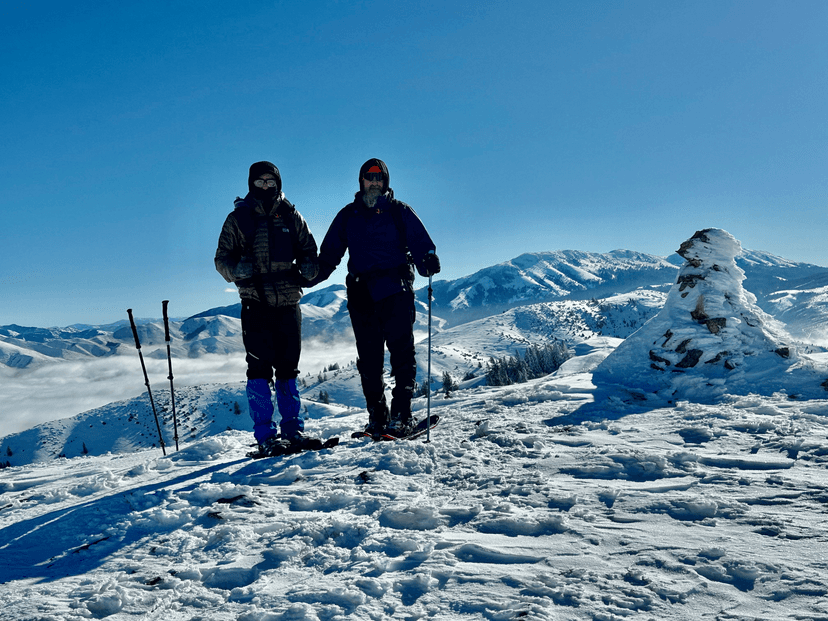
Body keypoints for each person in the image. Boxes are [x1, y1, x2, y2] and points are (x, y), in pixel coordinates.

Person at [311, 158, 440, 437]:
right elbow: (329, 254)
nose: (374, 182)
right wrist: (307, 277)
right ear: (361, 181)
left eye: (379, 178)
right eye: (369, 177)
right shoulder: (348, 215)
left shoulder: (398, 212)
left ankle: (401, 417)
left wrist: (427, 260)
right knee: (368, 360)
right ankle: (377, 420)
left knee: (402, 355)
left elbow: (421, 243)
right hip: (361, 295)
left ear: (386, 182)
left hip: (395, 290)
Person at [215, 161, 318, 453]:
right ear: (251, 184)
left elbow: (309, 249)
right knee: (259, 370)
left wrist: (310, 267)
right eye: (259, 182)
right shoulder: (239, 219)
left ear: (278, 183)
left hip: (288, 302)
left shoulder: (290, 215)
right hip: (255, 303)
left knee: (288, 370)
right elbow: (221, 259)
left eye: (269, 181)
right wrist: (239, 270)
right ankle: (266, 437)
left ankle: (293, 431)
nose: (265, 186)